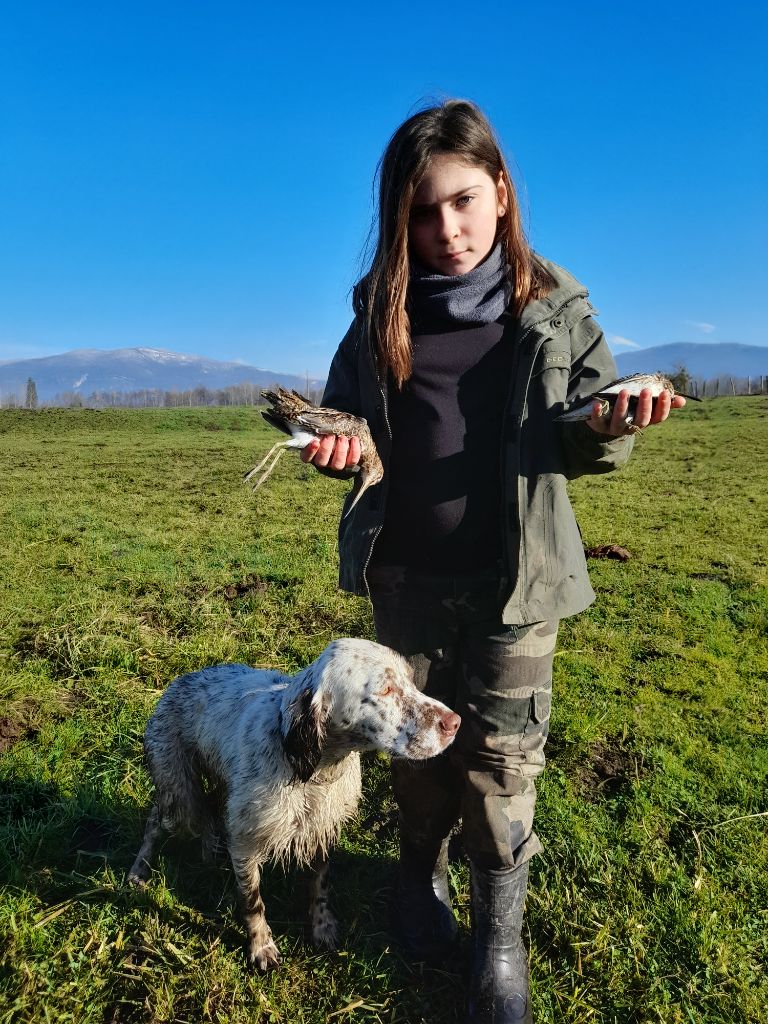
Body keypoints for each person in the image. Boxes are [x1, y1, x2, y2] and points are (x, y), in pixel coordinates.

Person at [300, 100, 684, 1024]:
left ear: (502, 194)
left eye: (465, 202)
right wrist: (336, 445)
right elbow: (343, 413)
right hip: (406, 580)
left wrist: (612, 420)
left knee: (505, 761)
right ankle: (416, 882)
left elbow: (594, 429)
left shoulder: (555, 311)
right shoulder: (376, 315)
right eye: (423, 214)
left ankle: (498, 941)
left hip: (521, 585)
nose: (448, 231)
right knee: (419, 753)